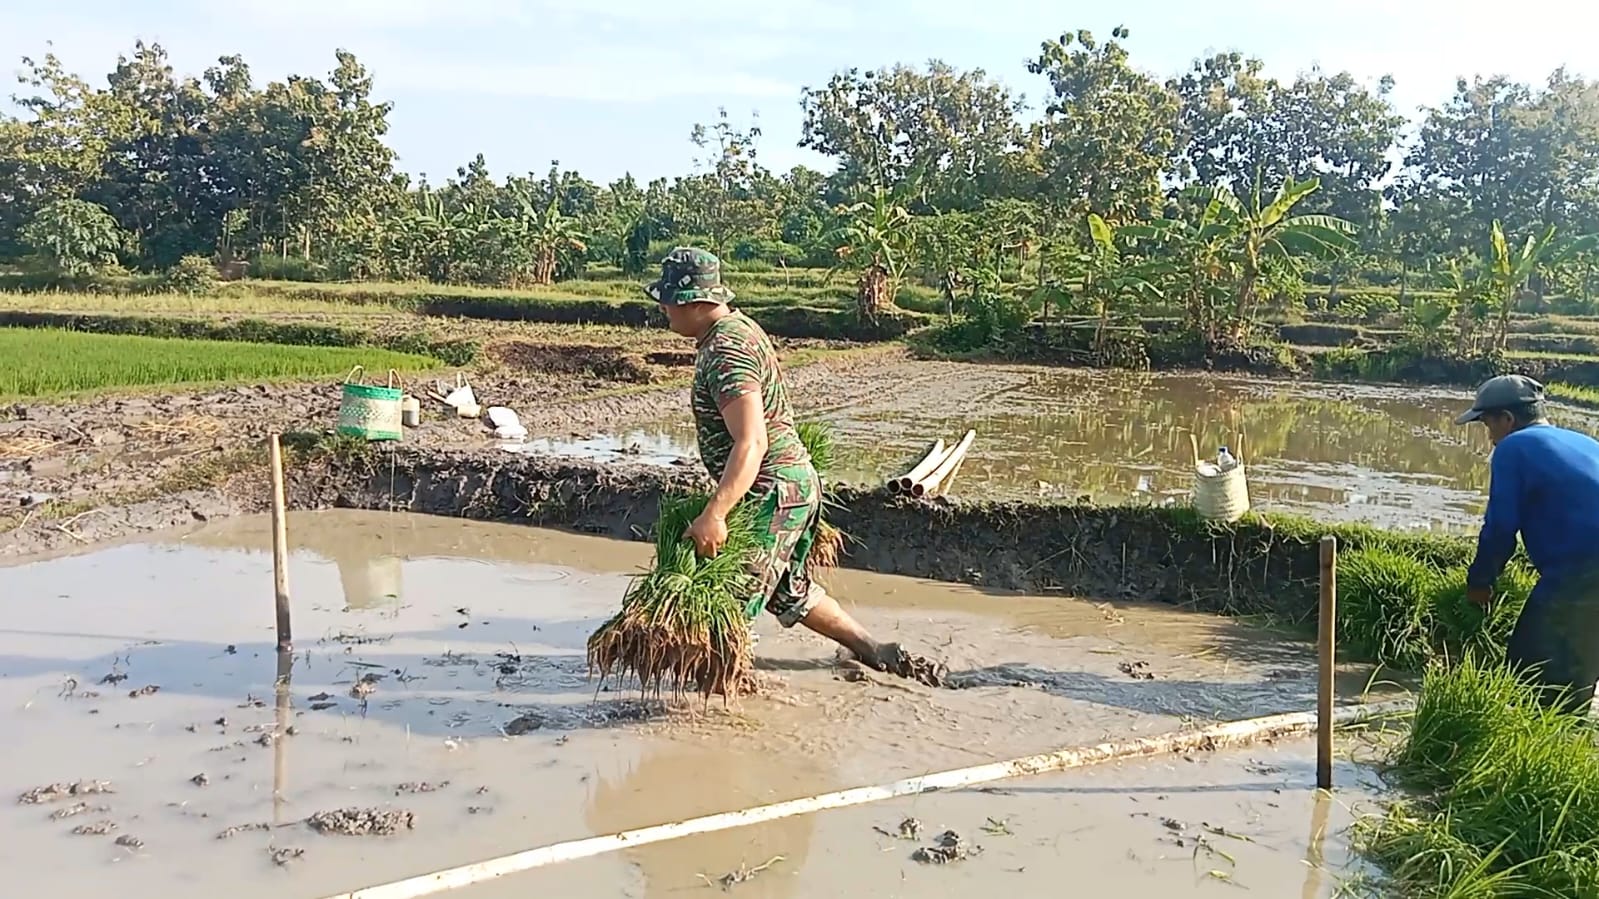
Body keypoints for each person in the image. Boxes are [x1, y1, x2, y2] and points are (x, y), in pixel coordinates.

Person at [644, 246, 909, 673]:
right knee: (788, 592)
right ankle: (873, 649)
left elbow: (751, 442)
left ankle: (721, 703)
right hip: (787, 486)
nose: (663, 310)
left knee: (729, 596)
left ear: (696, 302)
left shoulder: (727, 350)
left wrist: (717, 513)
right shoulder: (735, 331)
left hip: (773, 491)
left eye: (669, 302)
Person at [1456, 373, 1599, 714]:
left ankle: (1535, 745)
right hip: (1585, 565)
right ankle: (1567, 740)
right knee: (1579, 661)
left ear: (1507, 419)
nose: (1490, 438)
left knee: (1529, 663)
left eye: (1488, 426)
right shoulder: (1585, 443)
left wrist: (1480, 582)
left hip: (1581, 567)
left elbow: (1501, 526)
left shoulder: (1514, 447)